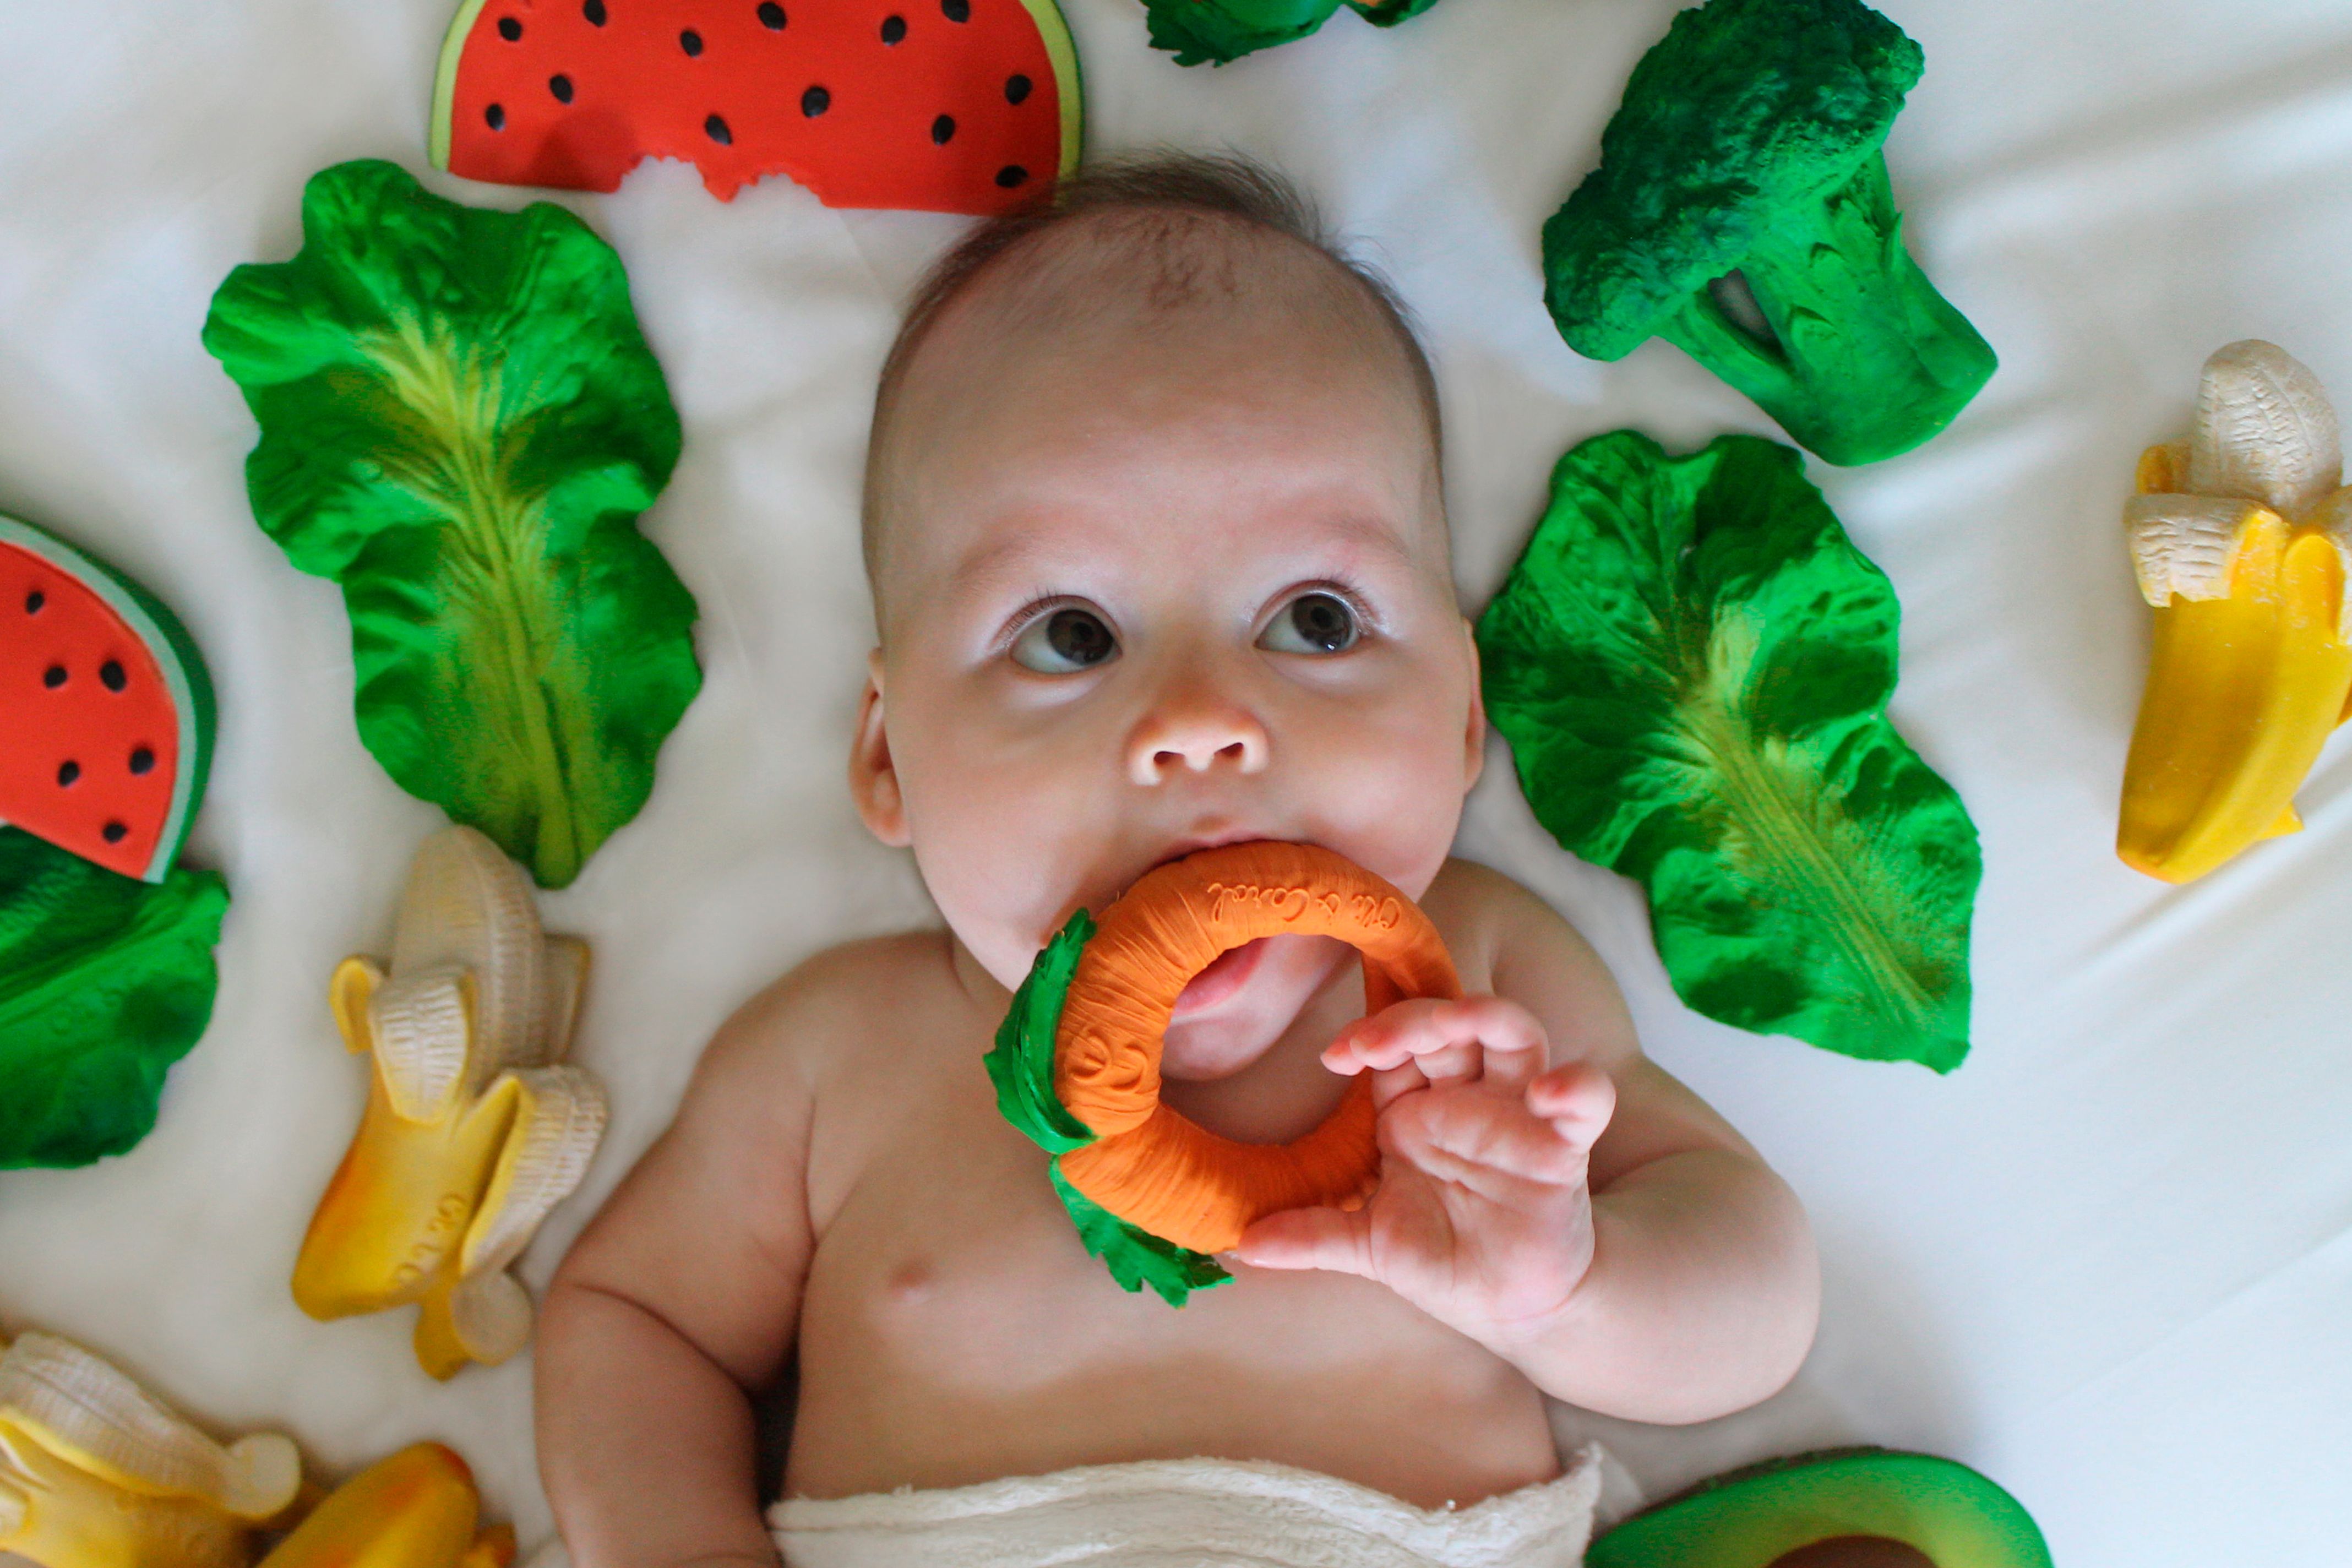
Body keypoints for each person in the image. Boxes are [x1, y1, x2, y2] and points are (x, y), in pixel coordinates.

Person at [536, 154, 1819, 1568]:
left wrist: (1565, 1286)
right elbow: (633, 1324)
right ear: (892, 755)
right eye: (1071, 635)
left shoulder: (1476, 1003)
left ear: (1463, 711)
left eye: (1315, 619)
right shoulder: (834, 1058)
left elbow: (1756, 1302)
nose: (1202, 724)